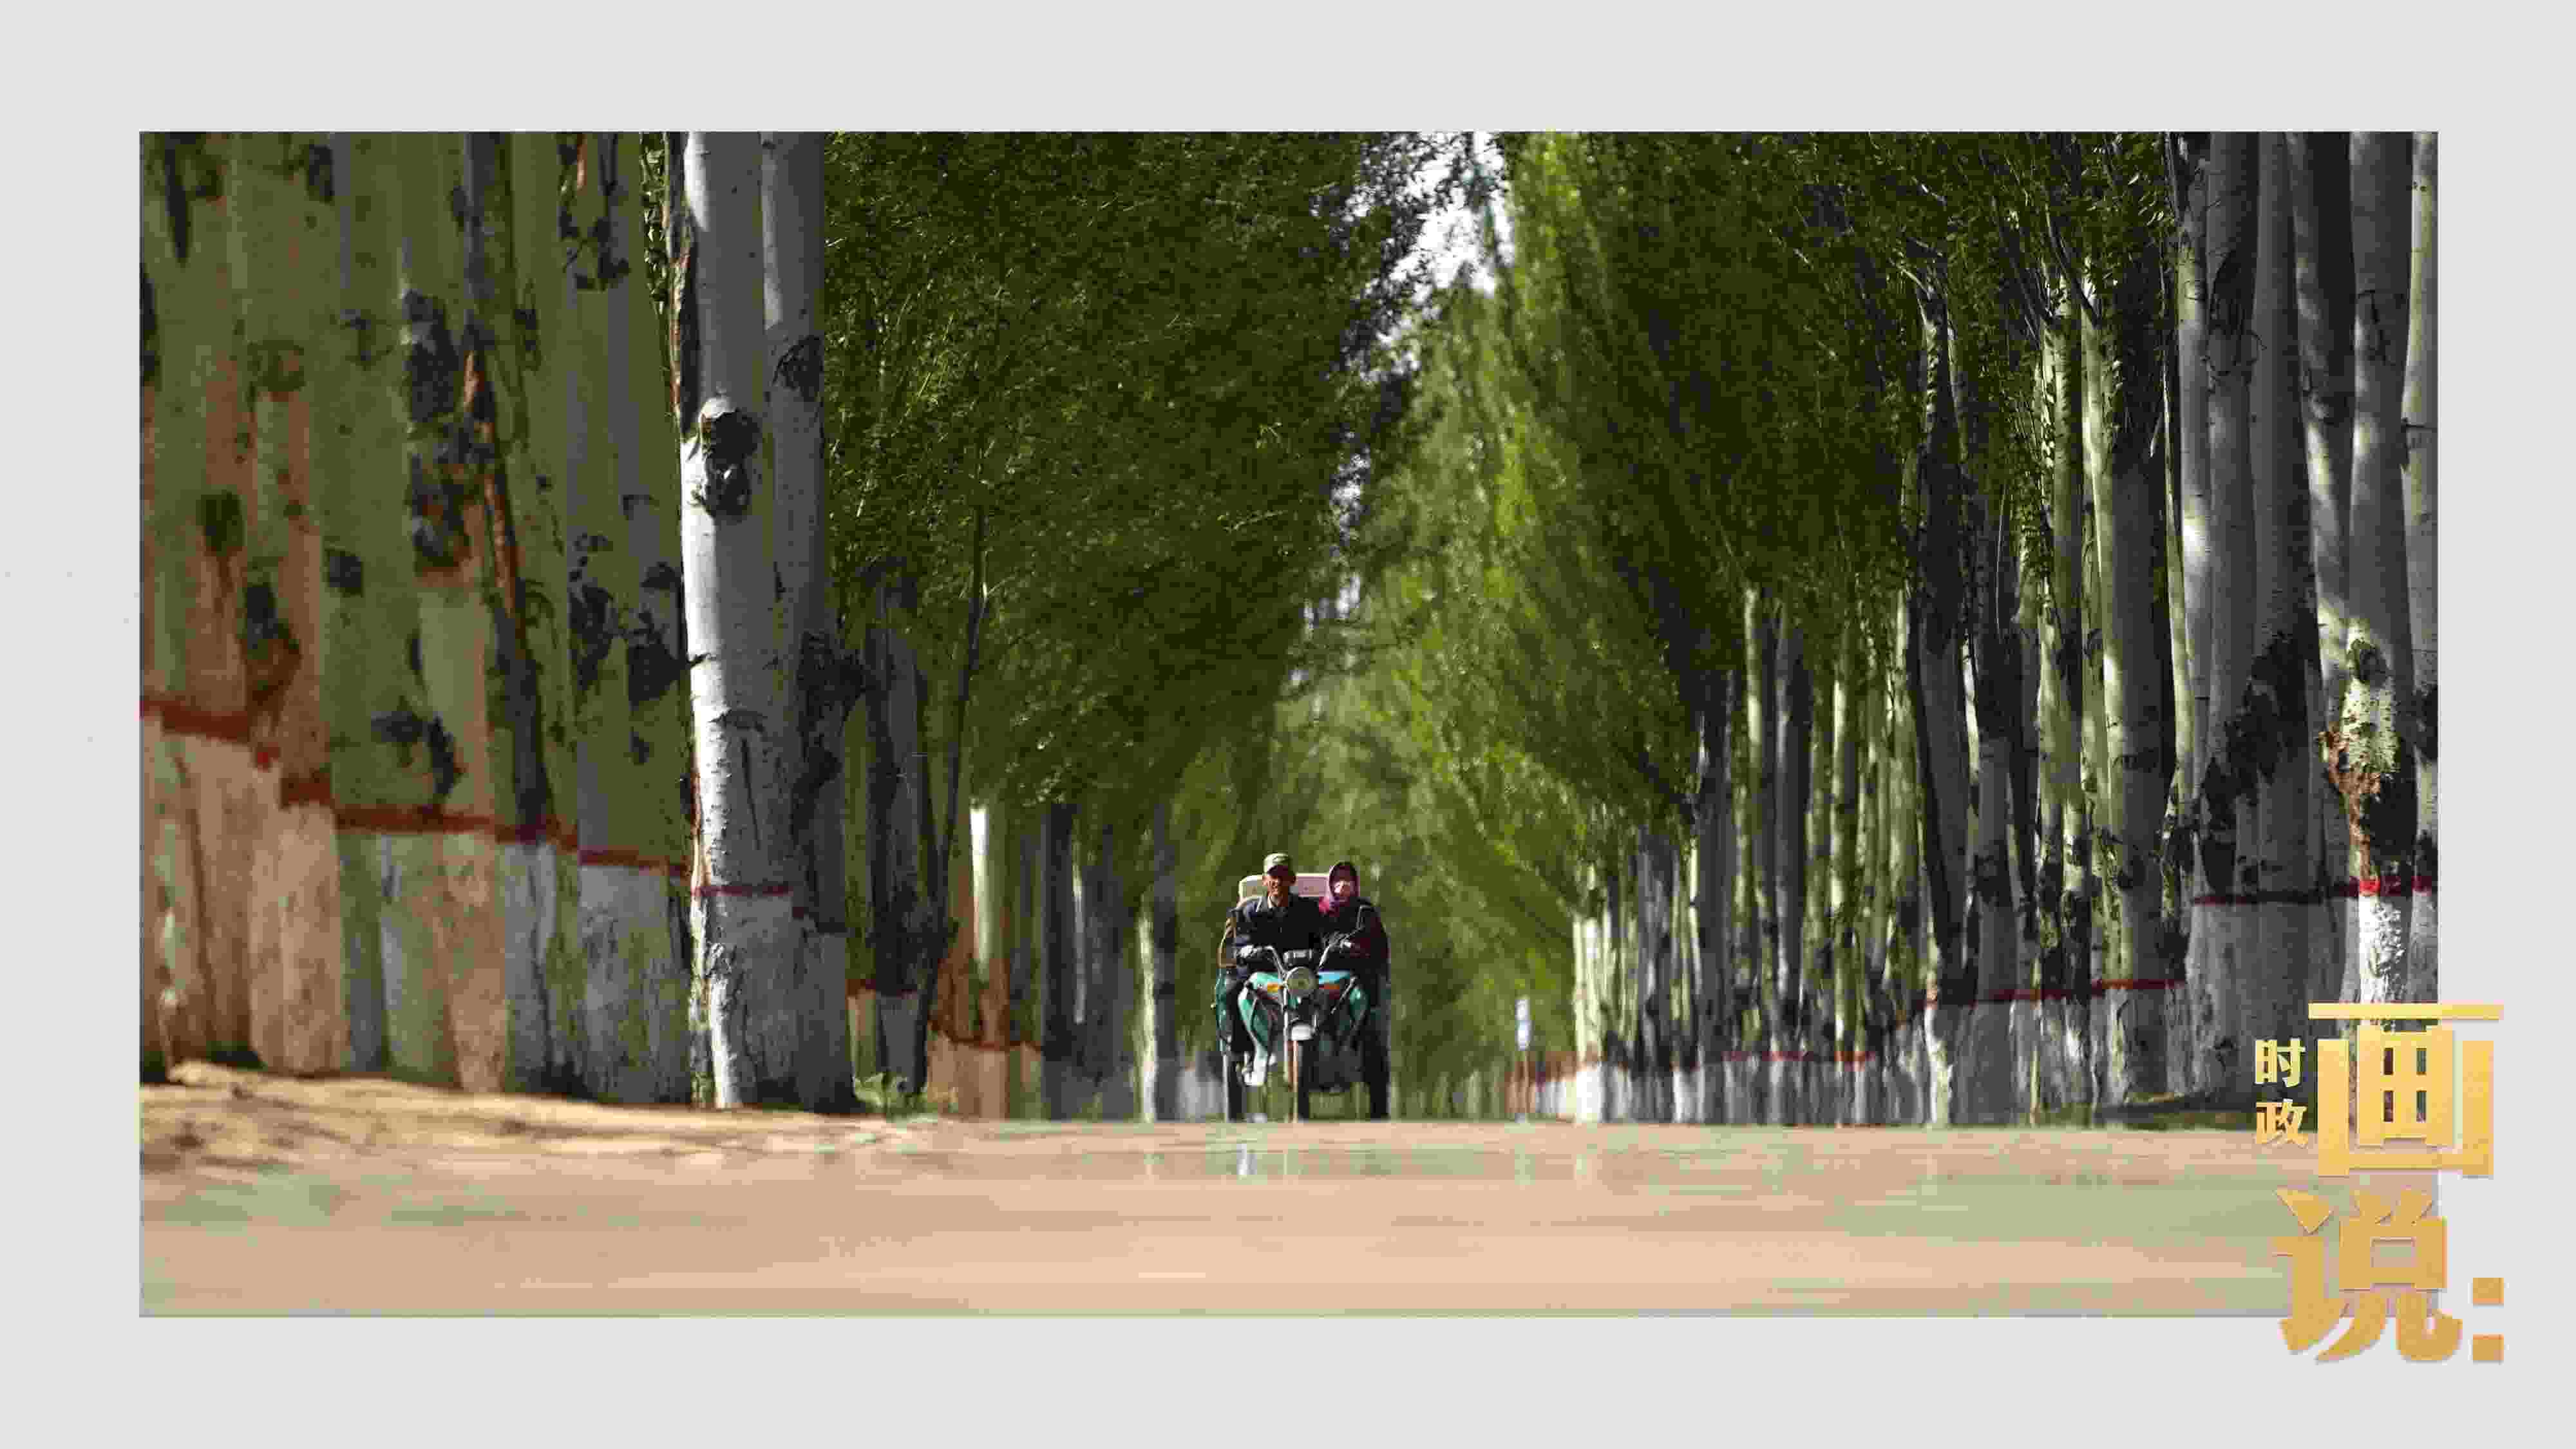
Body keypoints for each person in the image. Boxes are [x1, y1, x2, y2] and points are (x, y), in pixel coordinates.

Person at [1215, 851, 1328, 1086]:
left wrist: (1320, 953)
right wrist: (1248, 951)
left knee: (1339, 992)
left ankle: (1331, 1057)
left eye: (1283, 875)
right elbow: (1239, 946)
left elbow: (1321, 941)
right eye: (1273, 876)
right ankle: (1242, 1054)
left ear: (1292, 880)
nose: (1278, 881)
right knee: (1231, 993)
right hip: (1262, 976)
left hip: (1301, 977)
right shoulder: (1249, 912)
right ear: (1265, 881)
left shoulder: (1308, 910)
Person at [1318, 859, 1390, 1056]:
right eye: (1338, 880)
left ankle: (1359, 1047)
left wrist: (1362, 949)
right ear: (1330, 884)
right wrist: (1339, 943)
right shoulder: (1320, 910)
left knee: (1369, 1010)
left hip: (1359, 972)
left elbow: (1380, 944)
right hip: (1326, 972)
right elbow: (1320, 937)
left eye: (1348, 880)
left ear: (1355, 884)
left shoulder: (1365, 909)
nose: (1343, 884)